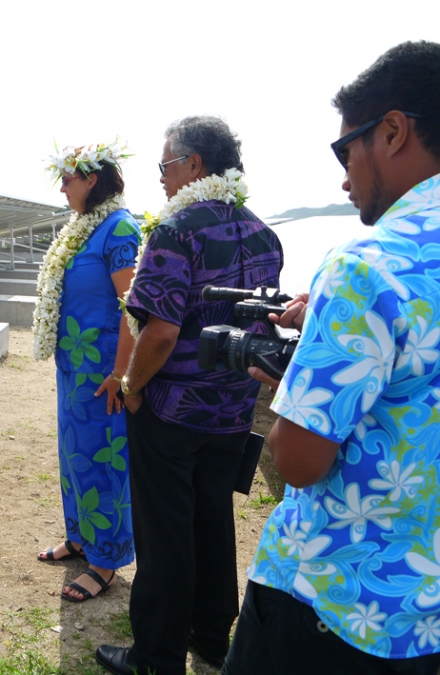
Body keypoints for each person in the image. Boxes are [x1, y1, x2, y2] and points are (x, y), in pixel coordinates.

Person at [224, 41, 440, 675]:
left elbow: (298, 460)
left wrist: (293, 381)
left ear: (393, 131)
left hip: (333, 603)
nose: (344, 177)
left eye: (346, 150)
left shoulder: (365, 266)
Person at [94, 117, 283, 675]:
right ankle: (210, 634)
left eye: (165, 166)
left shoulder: (177, 230)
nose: (161, 179)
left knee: (164, 534)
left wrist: (130, 385)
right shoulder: (264, 232)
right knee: (212, 519)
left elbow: (160, 331)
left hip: (172, 413)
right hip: (231, 412)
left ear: (195, 166)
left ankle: (155, 658)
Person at [32, 141, 139, 602]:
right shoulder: (82, 227)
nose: (62, 187)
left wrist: (121, 373)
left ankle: (105, 561)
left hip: (102, 373)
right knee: (74, 455)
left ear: (91, 180)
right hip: (74, 367)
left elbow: (134, 307)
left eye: (68, 179)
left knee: (102, 461)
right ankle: (80, 537)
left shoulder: (119, 228)